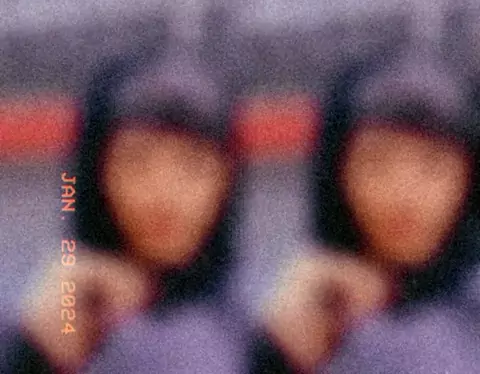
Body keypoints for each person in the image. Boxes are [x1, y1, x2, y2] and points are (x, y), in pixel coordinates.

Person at [1, 46, 250, 373]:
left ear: (229, 180)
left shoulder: (259, 337)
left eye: (193, 165)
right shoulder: (41, 325)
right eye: (136, 161)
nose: (165, 195)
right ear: (95, 174)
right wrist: (33, 355)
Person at [252, 49, 480, 373]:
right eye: (376, 163)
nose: (404, 195)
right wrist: (276, 357)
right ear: (337, 173)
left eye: (433, 166)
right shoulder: (299, 313)